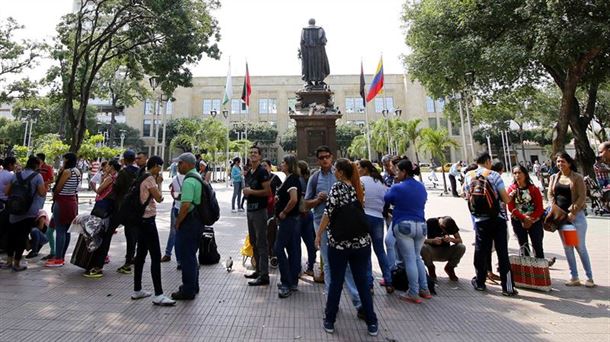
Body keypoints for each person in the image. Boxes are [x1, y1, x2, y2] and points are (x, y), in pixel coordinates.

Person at [315, 158, 378, 336]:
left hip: (340, 243)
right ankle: (372, 322)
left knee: (336, 281)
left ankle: (329, 320)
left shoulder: (337, 187)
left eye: (336, 169)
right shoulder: (359, 187)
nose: (334, 171)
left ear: (341, 173)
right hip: (361, 242)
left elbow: (328, 213)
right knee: (362, 283)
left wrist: (319, 234)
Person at [304, 146, 364, 317]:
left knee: (346, 264)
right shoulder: (314, 178)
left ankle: (358, 302)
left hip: (342, 225)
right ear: (318, 160)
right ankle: (333, 303)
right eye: (321, 157)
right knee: (329, 264)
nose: (324, 160)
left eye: (327, 157)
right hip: (320, 224)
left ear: (332, 158)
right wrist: (317, 200)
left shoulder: (341, 175)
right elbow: (306, 203)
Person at [464, 152, 517, 296]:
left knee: (481, 251)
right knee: (502, 252)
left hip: (480, 220)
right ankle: (508, 288)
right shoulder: (494, 175)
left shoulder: (469, 175)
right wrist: (509, 196)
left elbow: (466, 195)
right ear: (488, 161)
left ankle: (480, 282)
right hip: (498, 219)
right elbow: (505, 199)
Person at [384, 159, 431, 304]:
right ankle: (425, 289)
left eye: (398, 171)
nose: (396, 174)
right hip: (421, 225)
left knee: (409, 258)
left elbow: (387, 198)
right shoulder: (421, 187)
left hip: (404, 224)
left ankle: (413, 292)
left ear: (404, 172)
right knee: (417, 258)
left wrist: (394, 183)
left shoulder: (398, 187)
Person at [548, 152, 594, 287]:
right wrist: (554, 207)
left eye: (562, 161)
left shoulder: (577, 178)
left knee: (580, 247)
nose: (560, 164)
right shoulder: (554, 177)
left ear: (569, 163)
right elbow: (550, 194)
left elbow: (581, 196)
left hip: (576, 217)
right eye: (558, 162)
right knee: (568, 247)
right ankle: (574, 276)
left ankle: (589, 277)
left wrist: (573, 211)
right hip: (561, 218)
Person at [1, 156, 46, 271]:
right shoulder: (38, 176)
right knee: (22, 237)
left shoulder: (16, 175)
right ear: (36, 165)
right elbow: (42, 193)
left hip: (14, 209)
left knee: (11, 236)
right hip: (29, 211)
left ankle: (8, 262)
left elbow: (6, 192)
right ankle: (16, 264)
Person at [357, 159, 392, 292]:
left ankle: (369, 283)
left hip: (363, 216)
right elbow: (386, 200)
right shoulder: (381, 183)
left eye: (359, 167)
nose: (357, 170)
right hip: (378, 218)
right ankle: (388, 281)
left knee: (365, 251)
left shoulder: (360, 181)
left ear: (365, 169)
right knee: (380, 250)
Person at [173, 153, 204, 300]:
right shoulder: (198, 177)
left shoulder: (189, 181)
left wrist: (178, 222)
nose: (178, 166)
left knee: (187, 257)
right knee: (191, 256)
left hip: (190, 223)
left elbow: (185, 205)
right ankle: (193, 286)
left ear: (188, 164)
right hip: (197, 222)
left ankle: (188, 289)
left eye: (180, 163)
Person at [83, 159, 121, 278]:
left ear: (112, 167)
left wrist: (104, 179)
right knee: (104, 237)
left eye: (108, 166)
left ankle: (97, 265)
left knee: (99, 236)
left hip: (103, 210)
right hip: (110, 211)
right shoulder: (117, 177)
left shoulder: (110, 178)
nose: (105, 168)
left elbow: (99, 190)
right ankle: (98, 263)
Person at [274, 155, 302, 298]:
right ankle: (292, 281)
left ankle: (286, 282)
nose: (281, 164)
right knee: (292, 249)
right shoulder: (291, 179)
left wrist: (284, 212)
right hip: (292, 220)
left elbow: (294, 199)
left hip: (289, 220)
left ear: (289, 165)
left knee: (278, 249)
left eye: (284, 162)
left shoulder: (292, 180)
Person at [243, 146, 272, 286]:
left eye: (256, 153)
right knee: (253, 241)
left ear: (260, 156)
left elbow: (267, 191)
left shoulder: (262, 172)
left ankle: (264, 275)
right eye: (251, 153)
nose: (253, 155)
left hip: (260, 211)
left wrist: (251, 191)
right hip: (250, 210)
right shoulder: (249, 172)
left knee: (261, 242)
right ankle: (258, 270)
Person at [46, 153, 81, 268]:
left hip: (62, 202)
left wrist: (54, 196)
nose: (63, 161)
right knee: (67, 230)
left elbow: (58, 188)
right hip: (72, 201)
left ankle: (58, 258)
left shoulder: (67, 172)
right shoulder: (77, 171)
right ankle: (62, 257)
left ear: (67, 160)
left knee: (60, 230)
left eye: (64, 159)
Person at [507, 165, 546, 259]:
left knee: (537, 246)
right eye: (515, 173)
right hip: (518, 221)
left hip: (534, 221)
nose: (517, 175)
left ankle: (540, 270)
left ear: (525, 174)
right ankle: (527, 270)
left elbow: (540, 208)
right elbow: (511, 207)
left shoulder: (533, 189)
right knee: (523, 246)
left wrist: (531, 218)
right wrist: (523, 218)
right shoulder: (511, 189)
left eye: (519, 172)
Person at [420, 216, 465, 282]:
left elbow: (459, 240)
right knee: (423, 247)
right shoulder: (430, 222)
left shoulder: (450, 222)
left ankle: (450, 267)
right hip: (432, 251)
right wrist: (432, 241)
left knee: (461, 247)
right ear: (441, 226)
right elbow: (420, 240)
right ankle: (431, 268)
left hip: (446, 250)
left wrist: (451, 239)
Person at [161, 166, 185, 266]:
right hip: (187, 208)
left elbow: (172, 190)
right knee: (184, 235)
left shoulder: (175, 178)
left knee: (174, 231)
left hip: (176, 206)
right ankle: (180, 260)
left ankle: (168, 253)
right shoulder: (192, 178)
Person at [297, 160, 316, 276]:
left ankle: (297, 268)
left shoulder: (298, 181)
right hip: (309, 214)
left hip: (300, 214)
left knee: (296, 243)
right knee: (310, 242)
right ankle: (310, 267)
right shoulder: (310, 180)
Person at [299, 18, 330, 88]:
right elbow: (324, 41)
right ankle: (318, 81)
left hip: (308, 52)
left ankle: (308, 81)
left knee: (308, 66)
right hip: (318, 51)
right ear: (314, 22)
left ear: (309, 22)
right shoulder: (320, 29)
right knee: (318, 66)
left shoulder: (304, 30)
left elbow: (302, 42)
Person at [0, 157, 17, 253]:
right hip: (5, 204)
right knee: (5, 226)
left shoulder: (1, 173)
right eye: (14, 164)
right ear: (10, 164)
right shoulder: (11, 176)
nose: (15, 166)